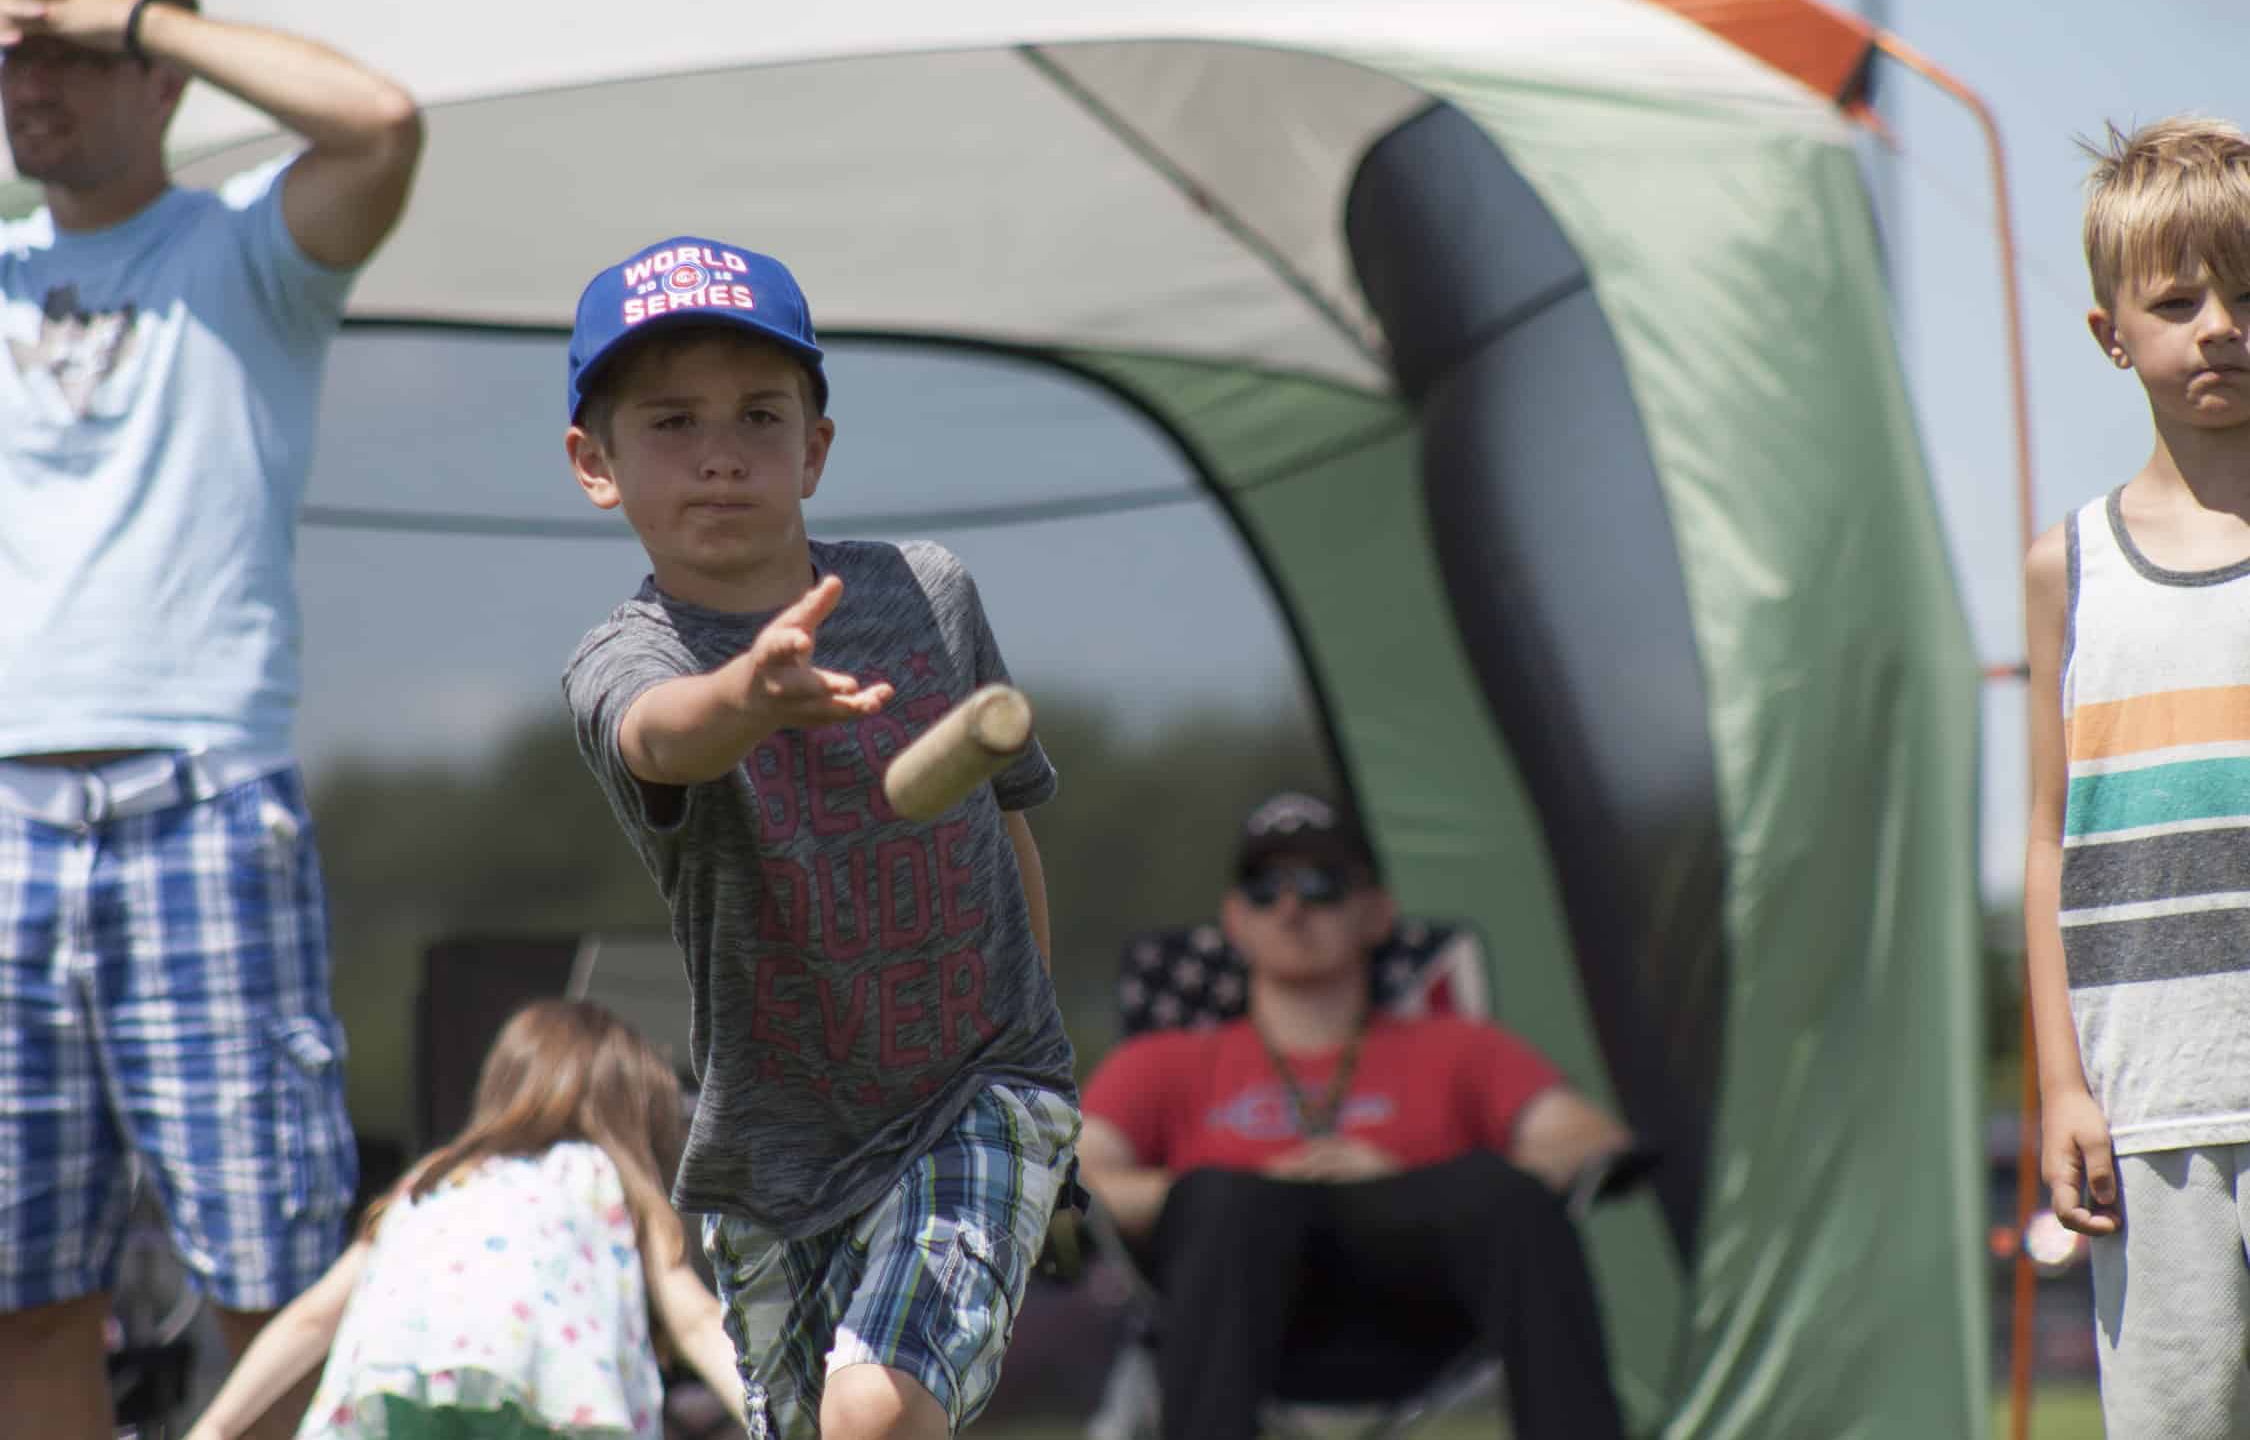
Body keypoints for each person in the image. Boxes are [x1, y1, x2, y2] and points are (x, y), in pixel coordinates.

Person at [0, 0, 421, 1435]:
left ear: (164, 67)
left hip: (200, 808)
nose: (32, 76)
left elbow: (380, 123)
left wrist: (131, 7)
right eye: (13, 48)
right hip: (3, 832)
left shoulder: (239, 247)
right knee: (21, 1294)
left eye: (71, 48)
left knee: (278, 1272)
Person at [558, 235, 1079, 1440]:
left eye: (759, 415)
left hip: (975, 1096)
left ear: (816, 448)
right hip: (772, 1166)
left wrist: (1038, 1091)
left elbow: (1007, 829)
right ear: (597, 464)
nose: (723, 456)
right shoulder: (623, 661)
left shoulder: (928, 591)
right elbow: (661, 737)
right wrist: (751, 695)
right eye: (673, 424)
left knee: (875, 1416)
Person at [1076, 791, 1634, 1440]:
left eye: (1322, 884)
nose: (1291, 908)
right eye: (1264, 889)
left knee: (1506, 1196)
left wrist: (1410, 1182)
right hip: (1239, 1311)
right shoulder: (1163, 1063)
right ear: (1234, 918)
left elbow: (1593, 1143)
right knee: (1227, 1202)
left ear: (1376, 912)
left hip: (1422, 1319)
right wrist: (1214, 1191)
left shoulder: (1459, 1047)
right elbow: (1074, 1177)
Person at [2024, 115, 2250, 1435]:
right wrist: (2060, 1086)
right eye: (2177, 300)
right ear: (2113, 333)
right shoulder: (2066, 569)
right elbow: (2047, 839)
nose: (2219, 325)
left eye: (2248, 294)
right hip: (2149, 1096)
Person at [179, 998, 745, 1440]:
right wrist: (778, 1417)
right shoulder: (613, 1181)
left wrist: (216, 1425)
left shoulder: (434, 1179)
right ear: (635, 1111)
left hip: (399, 1391)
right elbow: (695, 1322)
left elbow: (313, 1319)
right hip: (550, 1399)